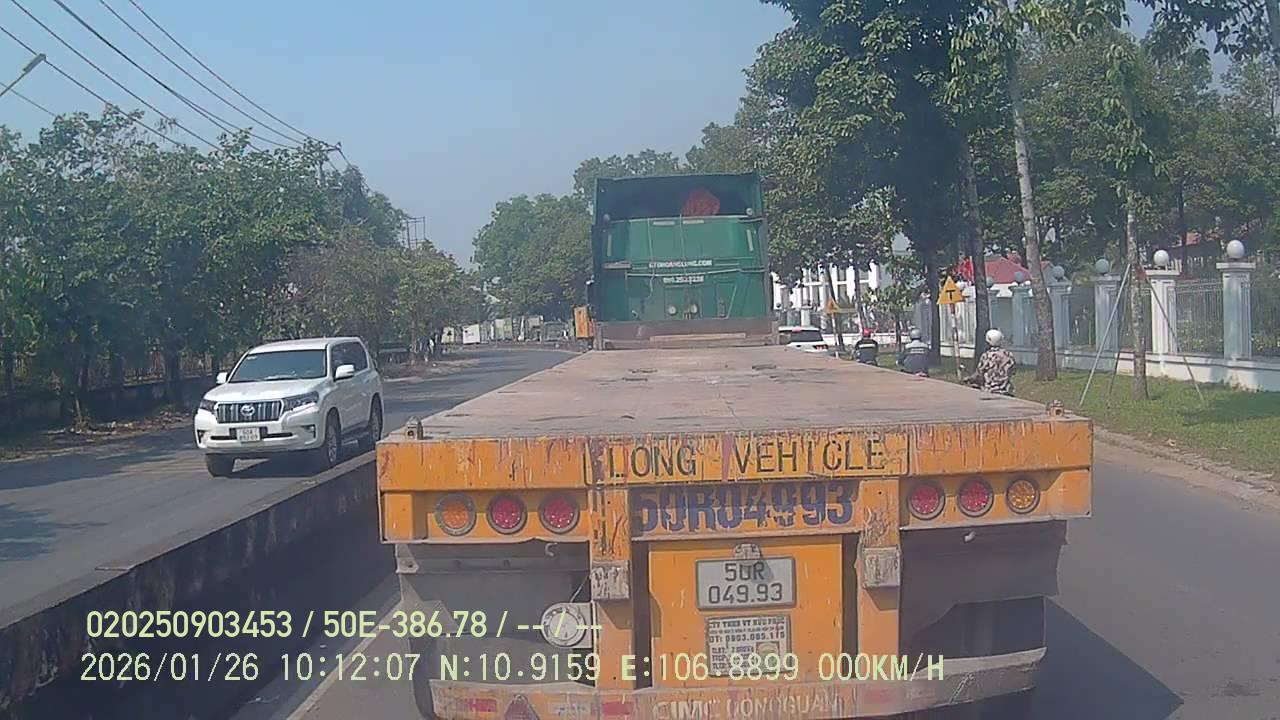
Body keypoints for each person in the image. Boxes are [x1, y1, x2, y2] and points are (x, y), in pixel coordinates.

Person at [966, 328, 1016, 396]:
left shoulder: (987, 356)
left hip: (990, 390)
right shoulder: (1009, 355)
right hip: (1006, 390)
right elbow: (1013, 372)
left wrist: (969, 378)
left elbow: (979, 374)